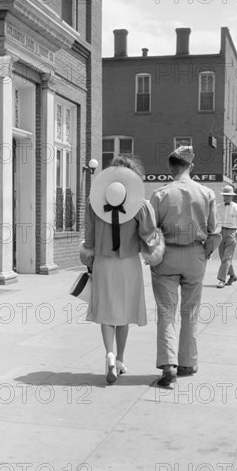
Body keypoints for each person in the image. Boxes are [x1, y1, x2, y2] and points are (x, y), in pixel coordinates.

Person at [80, 157, 164, 384]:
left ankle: (108, 354)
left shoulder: (94, 204)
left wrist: (89, 256)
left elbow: (88, 239)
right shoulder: (140, 205)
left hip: (103, 263)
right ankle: (120, 359)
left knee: (107, 310)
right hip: (128, 263)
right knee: (124, 312)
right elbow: (149, 237)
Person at [149, 146, 217, 387]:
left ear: (170, 168)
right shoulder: (207, 193)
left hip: (167, 254)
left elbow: (150, 230)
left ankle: (168, 363)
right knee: (190, 312)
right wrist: (204, 255)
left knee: (166, 312)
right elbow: (213, 232)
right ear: (191, 167)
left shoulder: (159, 194)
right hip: (195, 254)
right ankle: (187, 362)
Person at [215, 185, 237, 288]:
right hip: (220, 232)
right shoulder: (218, 207)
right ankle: (232, 276)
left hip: (232, 233)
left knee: (226, 257)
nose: (226, 197)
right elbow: (216, 220)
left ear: (232, 196)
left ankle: (221, 279)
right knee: (223, 257)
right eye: (225, 195)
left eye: (228, 195)